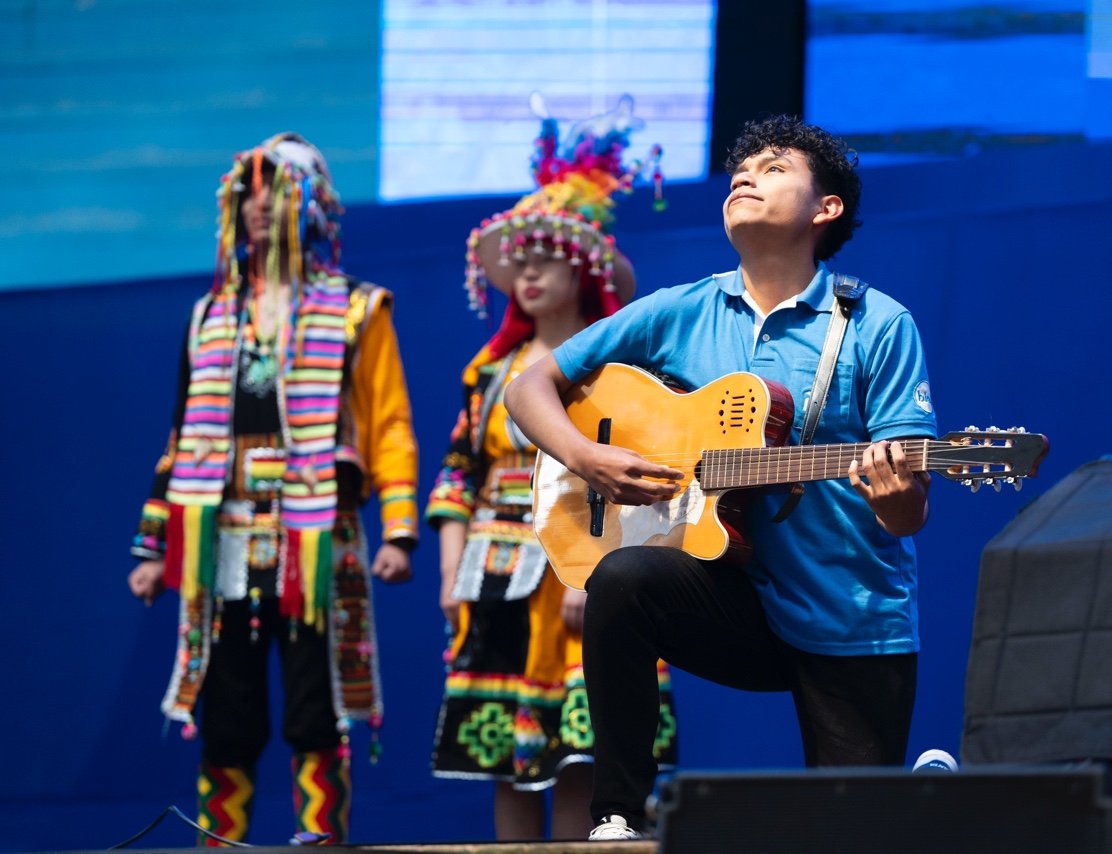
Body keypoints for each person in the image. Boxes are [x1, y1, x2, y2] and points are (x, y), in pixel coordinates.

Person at [504, 115, 937, 840]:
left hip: (850, 614)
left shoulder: (878, 324)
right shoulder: (680, 310)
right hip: (732, 594)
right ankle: (617, 816)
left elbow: (908, 514)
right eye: (741, 167)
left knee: (859, 834)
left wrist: (898, 496)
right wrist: (589, 458)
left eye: (773, 169)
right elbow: (529, 387)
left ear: (825, 209)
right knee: (623, 579)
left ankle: (925, 802)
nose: (746, 175)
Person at [127, 132, 419, 845]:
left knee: (315, 706)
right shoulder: (210, 316)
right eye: (249, 192)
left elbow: (388, 421)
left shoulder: (356, 308)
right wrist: (153, 546)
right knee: (226, 710)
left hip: (317, 537)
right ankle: (221, 843)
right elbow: (180, 433)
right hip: (221, 538)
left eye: (277, 190)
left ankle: (319, 842)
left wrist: (401, 528)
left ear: (311, 205)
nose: (261, 206)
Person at [426, 95, 677, 841]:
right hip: (497, 573)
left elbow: (652, 477)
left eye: (547, 260)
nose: (530, 275)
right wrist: (447, 572)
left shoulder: (618, 372)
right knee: (507, 752)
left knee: (582, 754)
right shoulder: (490, 370)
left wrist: (599, 572)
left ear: (585, 270)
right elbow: (455, 479)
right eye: (521, 263)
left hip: (583, 567)